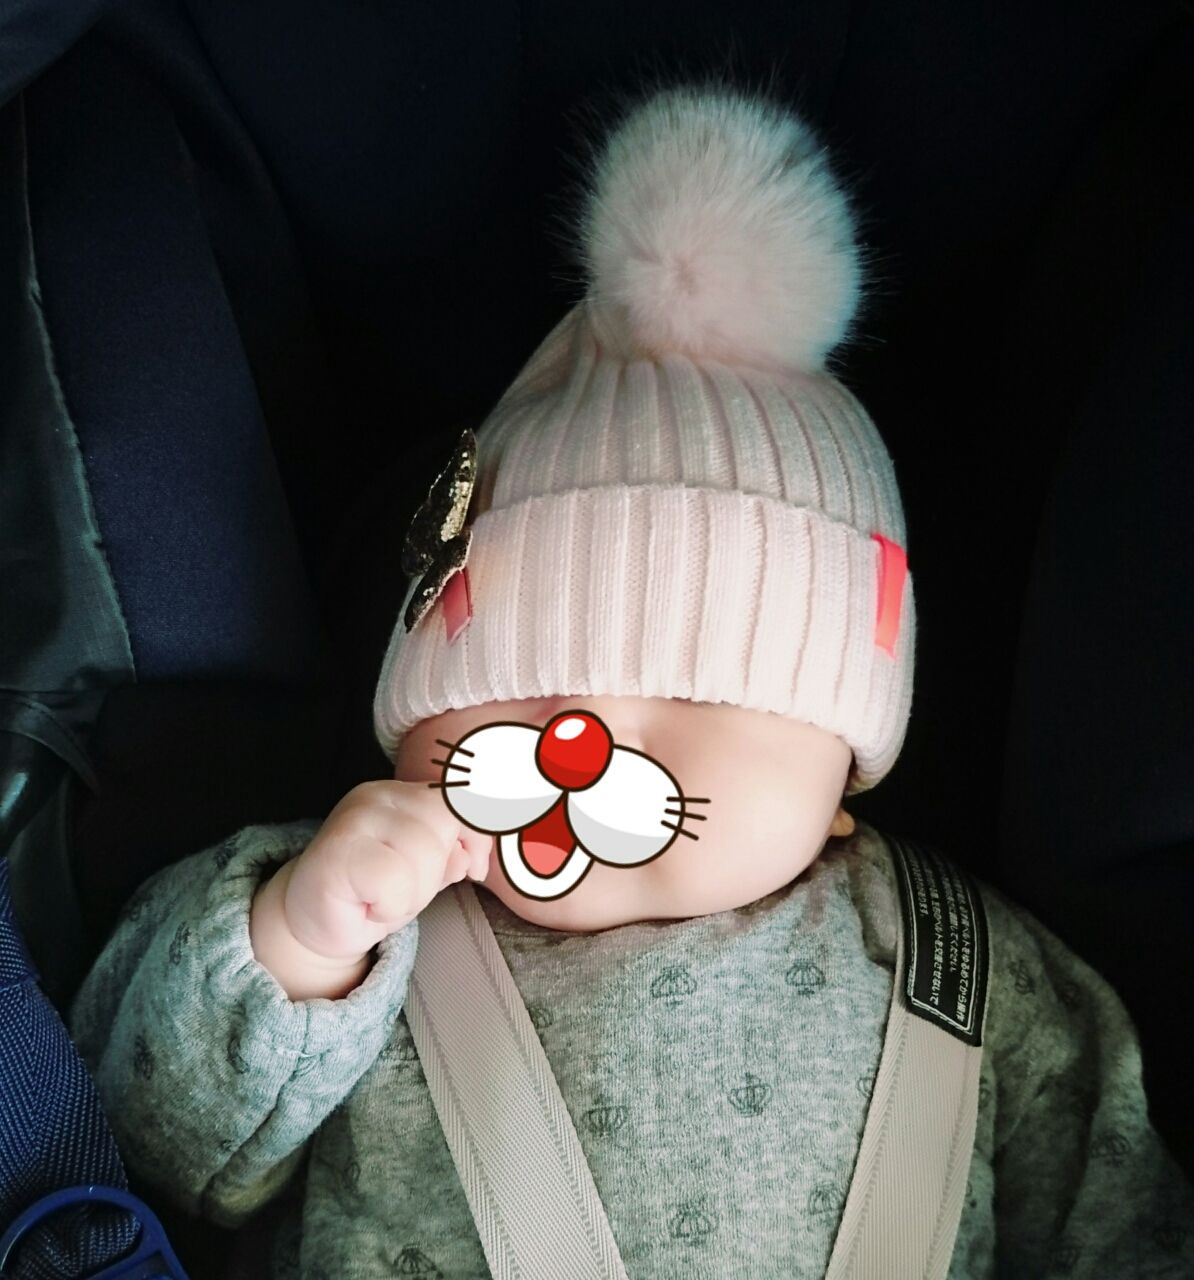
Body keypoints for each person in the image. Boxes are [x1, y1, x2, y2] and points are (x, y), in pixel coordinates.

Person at [67, 84, 1194, 1279]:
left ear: (842, 787)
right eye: (512, 676)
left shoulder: (955, 961)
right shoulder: (365, 922)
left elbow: (1121, 1216)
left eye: (699, 695)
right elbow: (150, 1143)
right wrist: (299, 937)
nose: (582, 733)